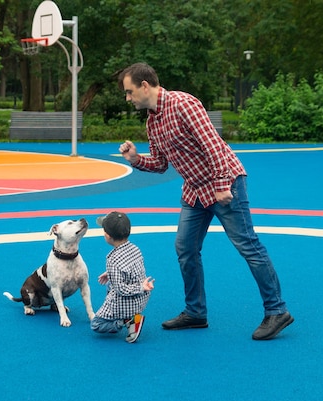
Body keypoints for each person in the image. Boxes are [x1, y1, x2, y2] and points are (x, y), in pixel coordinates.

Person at [116, 62, 293, 340]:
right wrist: (136, 160)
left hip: (224, 184)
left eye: (129, 92)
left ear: (145, 86)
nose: (128, 98)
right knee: (185, 247)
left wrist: (222, 185)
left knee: (248, 245)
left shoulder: (183, 104)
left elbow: (212, 144)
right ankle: (195, 312)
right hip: (195, 190)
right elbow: (162, 164)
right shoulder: (153, 120)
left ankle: (277, 311)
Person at [91, 211, 155, 343]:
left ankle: (125, 321)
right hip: (142, 297)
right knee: (110, 284)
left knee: (95, 325)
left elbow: (121, 290)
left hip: (127, 301)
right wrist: (110, 273)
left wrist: (139, 287)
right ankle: (126, 317)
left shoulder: (112, 259)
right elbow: (130, 270)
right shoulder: (135, 248)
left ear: (108, 236)